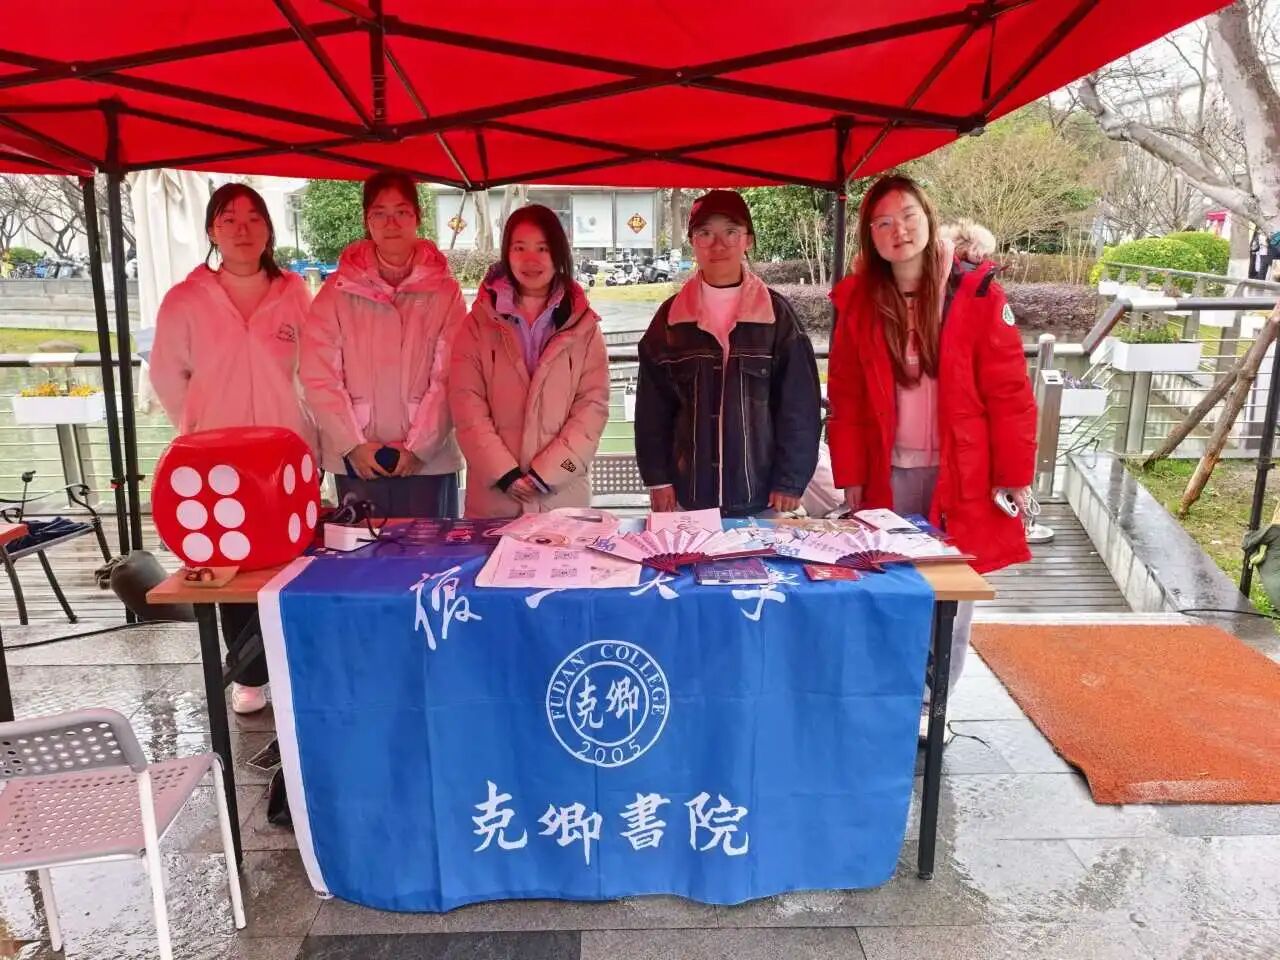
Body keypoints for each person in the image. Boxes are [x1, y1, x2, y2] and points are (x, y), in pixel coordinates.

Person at [826, 175, 1037, 709]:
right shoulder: (859, 302)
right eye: (883, 222)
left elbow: (1010, 391)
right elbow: (846, 396)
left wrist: (1014, 475)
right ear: (870, 236)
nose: (898, 230)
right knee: (888, 583)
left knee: (952, 596)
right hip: (886, 472)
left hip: (960, 473)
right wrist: (850, 476)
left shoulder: (976, 293)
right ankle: (890, 697)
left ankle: (933, 705)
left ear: (928, 217)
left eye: (908, 216)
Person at [150, 182, 316, 715]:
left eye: (253, 219)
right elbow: (167, 375)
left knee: (292, 561)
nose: (242, 230)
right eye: (229, 220)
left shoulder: (294, 293)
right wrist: (199, 430)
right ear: (212, 231)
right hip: (214, 460)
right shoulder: (186, 299)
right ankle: (248, 674)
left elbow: (314, 370)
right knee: (229, 563)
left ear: (269, 229)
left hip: (284, 454)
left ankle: (295, 667)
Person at [635, 189, 821, 516]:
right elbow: (652, 411)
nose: (718, 245)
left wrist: (790, 480)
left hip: (761, 497)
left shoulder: (777, 317)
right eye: (705, 233)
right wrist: (658, 478)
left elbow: (800, 406)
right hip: (688, 497)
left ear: (748, 239)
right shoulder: (670, 320)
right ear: (692, 242)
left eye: (731, 232)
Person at [301, 171, 466, 519]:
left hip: (430, 463)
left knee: (432, 551)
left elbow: (451, 375)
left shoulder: (445, 291)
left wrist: (420, 447)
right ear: (367, 220)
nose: (391, 224)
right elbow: (319, 375)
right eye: (380, 213)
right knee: (363, 551)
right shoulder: (337, 291)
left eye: (401, 212)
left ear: (417, 217)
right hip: (359, 463)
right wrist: (352, 444)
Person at [449, 205, 609, 518]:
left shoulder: (584, 327)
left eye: (542, 249)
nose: (531, 260)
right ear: (506, 253)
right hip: (493, 502)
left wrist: (548, 475)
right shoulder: (477, 325)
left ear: (558, 254)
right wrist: (504, 474)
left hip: (563, 500)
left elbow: (592, 408)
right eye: (519, 248)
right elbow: (466, 405)